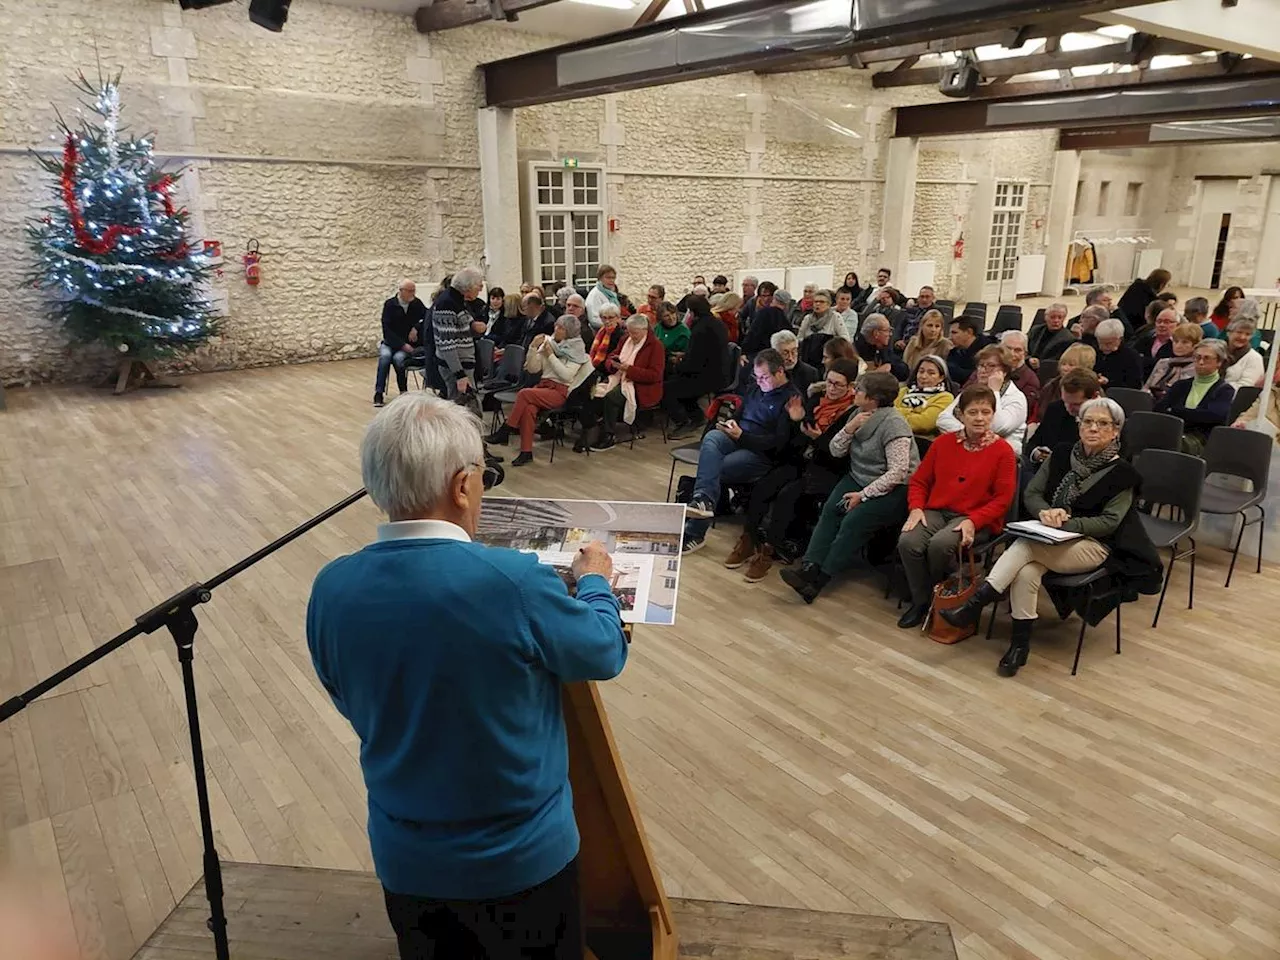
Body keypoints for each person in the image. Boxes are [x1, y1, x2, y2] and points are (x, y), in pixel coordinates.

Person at [307, 393, 627, 960]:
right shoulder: (514, 582)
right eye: (481, 476)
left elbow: (347, 696)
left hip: (406, 860)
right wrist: (596, 579)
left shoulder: (331, 587)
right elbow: (603, 651)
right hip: (520, 864)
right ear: (461, 486)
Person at [941, 397, 1161, 677]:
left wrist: (1066, 523)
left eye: (1103, 423)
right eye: (1088, 422)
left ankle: (975, 604)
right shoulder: (1061, 454)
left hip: (1096, 545)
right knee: (1026, 572)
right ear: (1079, 426)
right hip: (1048, 538)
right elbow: (1032, 493)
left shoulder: (1124, 474)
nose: (1093, 428)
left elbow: (1110, 522)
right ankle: (1019, 647)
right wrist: (1045, 513)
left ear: (1116, 430)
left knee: (1025, 545)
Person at [779, 372, 918, 604]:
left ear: (873, 398)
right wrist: (849, 428)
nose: (855, 392)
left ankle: (820, 580)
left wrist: (863, 496)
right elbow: (835, 449)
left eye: (860, 390)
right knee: (831, 511)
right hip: (858, 476)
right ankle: (808, 567)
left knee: (853, 522)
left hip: (893, 488)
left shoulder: (894, 424)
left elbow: (898, 472)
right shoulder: (856, 413)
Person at [896, 383, 1018, 628]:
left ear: (993, 415)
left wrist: (973, 521)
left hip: (975, 517)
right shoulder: (942, 444)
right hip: (937, 510)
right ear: (960, 415)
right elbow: (919, 480)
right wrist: (916, 507)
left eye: (986, 412)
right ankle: (923, 602)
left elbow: (1002, 500)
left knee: (940, 545)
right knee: (908, 541)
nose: (980, 418)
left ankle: (936, 597)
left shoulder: (1003, 452)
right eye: (973, 412)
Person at [729, 358, 862, 583]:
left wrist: (817, 439)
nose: (831, 388)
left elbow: (840, 454)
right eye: (829, 381)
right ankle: (749, 539)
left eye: (838, 384)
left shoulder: (852, 413)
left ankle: (768, 552)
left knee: (786, 495)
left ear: (851, 386)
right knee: (764, 486)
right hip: (801, 460)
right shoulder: (816, 400)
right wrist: (796, 421)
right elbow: (795, 439)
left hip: (825, 469)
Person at [681, 349, 800, 554]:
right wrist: (731, 423)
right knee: (711, 438)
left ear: (780, 372)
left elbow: (778, 444)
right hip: (738, 437)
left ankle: (696, 530)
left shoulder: (791, 399)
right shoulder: (755, 388)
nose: (760, 381)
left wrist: (742, 437)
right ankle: (703, 499)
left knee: (715, 468)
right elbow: (740, 412)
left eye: (764, 377)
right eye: (757, 376)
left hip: (761, 454)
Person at [487, 315, 591, 466]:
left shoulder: (576, 350)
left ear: (569, 331)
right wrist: (533, 348)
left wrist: (550, 356)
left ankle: (507, 429)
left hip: (560, 391)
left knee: (524, 393)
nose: (556, 329)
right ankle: (526, 452)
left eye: (561, 328)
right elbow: (533, 368)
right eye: (556, 325)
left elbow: (566, 375)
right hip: (543, 386)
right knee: (528, 408)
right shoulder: (551, 344)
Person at [578, 314, 665, 453]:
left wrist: (629, 369)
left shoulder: (655, 346)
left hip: (641, 386)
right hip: (620, 377)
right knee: (592, 391)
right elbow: (611, 356)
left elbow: (655, 375)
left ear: (644, 330)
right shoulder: (626, 339)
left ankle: (609, 434)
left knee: (612, 397)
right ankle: (593, 429)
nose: (632, 336)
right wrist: (613, 363)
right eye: (629, 332)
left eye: (635, 333)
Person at [936, 344, 1028, 455]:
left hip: (1001, 456)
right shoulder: (972, 392)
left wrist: (995, 391)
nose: (983, 370)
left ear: (1004, 371)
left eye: (990, 366)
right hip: (964, 449)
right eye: (981, 365)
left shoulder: (1016, 397)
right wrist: (969, 433)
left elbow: (997, 427)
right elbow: (943, 419)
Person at [663, 295, 730, 437]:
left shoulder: (699, 329)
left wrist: (678, 364)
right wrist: (685, 356)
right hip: (720, 373)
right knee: (678, 384)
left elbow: (694, 363)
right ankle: (697, 418)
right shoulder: (717, 323)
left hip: (707, 376)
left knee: (666, 389)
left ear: (692, 312)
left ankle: (684, 422)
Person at [1155, 339, 1236, 455]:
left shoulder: (1225, 390)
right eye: (1197, 357)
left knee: (1175, 446)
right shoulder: (1180, 385)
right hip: (1173, 432)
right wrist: (1193, 414)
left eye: (1207, 358)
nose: (1201, 362)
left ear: (1219, 362)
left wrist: (1175, 411)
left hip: (1201, 440)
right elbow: (1159, 409)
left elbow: (1213, 416)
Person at [1025, 368, 1102, 473]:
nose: (1068, 408)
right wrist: (1037, 453)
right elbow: (1033, 443)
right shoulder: (1055, 409)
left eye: (1076, 404)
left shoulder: (1108, 419)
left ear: (1094, 396)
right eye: (1065, 401)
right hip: (1048, 472)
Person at [433, 267, 485, 401]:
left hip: (463, 365)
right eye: (479, 286)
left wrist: (473, 325)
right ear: (468, 287)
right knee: (463, 411)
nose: (480, 290)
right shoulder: (447, 304)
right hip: (456, 368)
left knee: (467, 409)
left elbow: (461, 322)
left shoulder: (457, 300)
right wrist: (460, 375)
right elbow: (446, 344)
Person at [376, 279, 426, 406]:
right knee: (385, 358)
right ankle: (378, 392)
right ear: (401, 291)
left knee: (399, 359)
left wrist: (416, 327)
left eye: (414, 291)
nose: (412, 294)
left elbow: (426, 316)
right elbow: (386, 329)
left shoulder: (416, 303)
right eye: (409, 291)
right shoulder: (390, 305)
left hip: (406, 345)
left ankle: (403, 390)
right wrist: (402, 345)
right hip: (390, 343)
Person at [894, 356, 954, 437]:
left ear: (941, 377)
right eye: (921, 371)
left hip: (922, 440)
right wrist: (912, 412)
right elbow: (887, 413)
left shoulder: (945, 397)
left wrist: (899, 412)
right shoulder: (903, 391)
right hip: (893, 433)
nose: (924, 376)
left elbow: (924, 424)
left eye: (931, 373)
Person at [1143, 322, 1201, 403]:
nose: (1178, 346)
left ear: (1196, 345)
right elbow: (1146, 387)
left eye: (1185, 342)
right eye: (1176, 341)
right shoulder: (1163, 363)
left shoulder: (1197, 367)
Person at [994, 330, 1041, 422]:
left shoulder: (1030, 379)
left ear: (1025, 354)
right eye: (1008, 348)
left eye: (1018, 350)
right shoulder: (987, 369)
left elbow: (1021, 414)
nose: (1012, 354)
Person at [1037, 342, 1096, 413]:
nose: (1065, 368)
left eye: (1071, 365)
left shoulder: (1093, 390)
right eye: (1063, 364)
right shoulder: (1050, 386)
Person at [1092, 318, 1144, 390]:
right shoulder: (1095, 351)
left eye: (1108, 344)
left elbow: (1134, 385)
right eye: (1100, 343)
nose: (1102, 347)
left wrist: (1108, 382)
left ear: (1120, 339)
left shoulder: (1131, 356)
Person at [854, 314, 909, 381]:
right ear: (876, 333)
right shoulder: (856, 350)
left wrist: (890, 367)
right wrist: (876, 373)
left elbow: (904, 370)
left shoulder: (882, 346)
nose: (890, 334)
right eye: (887, 330)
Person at [741, 284, 791, 357]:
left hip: (761, 354)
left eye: (768, 296)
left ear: (773, 298)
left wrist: (744, 352)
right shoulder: (784, 317)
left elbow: (753, 334)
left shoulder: (764, 313)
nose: (766, 299)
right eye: (763, 296)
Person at [945, 317, 993, 386]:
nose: (950, 337)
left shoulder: (987, 350)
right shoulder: (955, 350)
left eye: (954, 333)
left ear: (969, 332)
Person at [771, 329, 819, 397]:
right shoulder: (767, 373)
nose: (790, 358)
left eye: (794, 351)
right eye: (785, 353)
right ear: (775, 353)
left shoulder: (811, 373)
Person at [1132, 307, 1178, 378]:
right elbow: (1133, 358)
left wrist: (1144, 360)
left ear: (1177, 325)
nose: (1161, 325)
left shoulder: (1178, 344)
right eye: (1159, 321)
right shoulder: (1145, 338)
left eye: (1167, 322)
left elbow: (1171, 365)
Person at [1027, 303, 1077, 368]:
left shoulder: (1068, 338)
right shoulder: (1036, 330)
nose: (1056, 321)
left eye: (1060, 317)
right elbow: (1025, 348)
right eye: (1052, 317)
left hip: (1049, 370)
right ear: (1045, 317)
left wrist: (1041, 363)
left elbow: (1060, 361)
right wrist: (1029, 359)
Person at [1223, 315, 1266, 390]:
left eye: (1247, 334)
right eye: (1239, 332)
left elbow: (1245, 387)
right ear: (1228, 332)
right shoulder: (1217, 350)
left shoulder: (1254, 358)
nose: (1242, 337)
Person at [587, 304, 626, 376]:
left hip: (608, 371)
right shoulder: (601, 331)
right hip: (595, 367)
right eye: (604, 318)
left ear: (617, 318)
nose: (607, 321)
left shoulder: (621, 335)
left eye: (611, 318)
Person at [584, 264, 620, 329]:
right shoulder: (595, 295)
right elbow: (594, 319)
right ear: (600, 278)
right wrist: (611, 324)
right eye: (608, 277)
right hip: (601, 331)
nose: (611, 280)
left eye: (613, 278)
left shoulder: (612, 294)